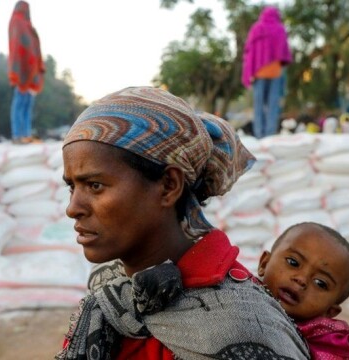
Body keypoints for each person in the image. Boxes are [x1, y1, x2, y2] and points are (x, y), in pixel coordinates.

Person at [57, 86, 310, 359]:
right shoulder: (111, 291)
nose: (73, 209)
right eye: (72, 187)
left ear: (168, 186)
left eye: (95, 185)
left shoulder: (241, 323)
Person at [258, 222, 349, 359]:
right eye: (293, 262)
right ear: (264, 263)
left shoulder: (330, 348)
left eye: (320, 283)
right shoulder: (236, 296)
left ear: (330, 311)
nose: (301, 279)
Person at [242, 6, 293, 139]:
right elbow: (284, 51)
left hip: (259, 72)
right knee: (273, 104)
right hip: (275, 71)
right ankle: (270, 134)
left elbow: (249, 50)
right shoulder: (280, 28)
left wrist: (250, 69)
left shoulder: (257, 28)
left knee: (258, 105)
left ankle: (259, 134)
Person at [8, 0, 45, 144]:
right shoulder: (16, 21)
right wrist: (18, 69)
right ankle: (18, 134)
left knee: (28, 103)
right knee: (19, 102)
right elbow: (17, 45)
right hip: (22, 68)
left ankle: (27, 134)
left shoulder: (28, 26)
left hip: (31, 69)